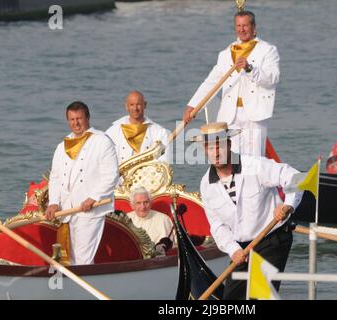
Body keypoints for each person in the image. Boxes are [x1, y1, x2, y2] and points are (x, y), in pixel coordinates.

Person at [192, 122, 303, 300]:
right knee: (231, 300)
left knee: (258, 297)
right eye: (211, 147)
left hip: (272, 239)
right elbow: (217, 226)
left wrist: (288, 205)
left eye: (220, 145)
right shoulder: (206, 185)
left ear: (229, 144)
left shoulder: (255, 165)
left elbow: (294, 177)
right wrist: (233, 249)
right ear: (206, 150)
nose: (216, 152)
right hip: (242, 249)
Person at [183, 10, 280, 156]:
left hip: (254, 115)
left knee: (253, 162)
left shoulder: (268, 50)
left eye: (245, 26)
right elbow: (211, 82)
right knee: (229, 159)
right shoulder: (226, 53)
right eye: (238, 26)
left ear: (254, 27)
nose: (242, 30)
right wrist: (193, 105)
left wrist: (249, 68)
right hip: (229, 115)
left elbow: (272, 79)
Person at [45, 101, 118, 265]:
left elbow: (111, 175)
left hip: (89, 210)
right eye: (72, 119)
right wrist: (54, 203)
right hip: (66, 210)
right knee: (68, 257)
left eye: (79, 118)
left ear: (88, 118)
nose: (76, 123)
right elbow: (55, 177)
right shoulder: (61, 146)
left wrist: (93, 198)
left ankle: (83, 285)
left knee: (83, 257)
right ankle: (72, 287)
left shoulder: (102, 141)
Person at [106, 91, 170, 164]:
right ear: (126, 106)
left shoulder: (159, 132)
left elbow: (164, 161)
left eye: (138, 104)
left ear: (145, 105)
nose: (135, 108)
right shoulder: (113, 131)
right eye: (131, 104)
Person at [127, 186, 174, 255]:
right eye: (138, 203)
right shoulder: (125, 219)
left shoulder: (163, 219)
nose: (143, 207)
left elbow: (169, 247)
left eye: (146, 202)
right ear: (132, 205)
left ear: (151, 203)